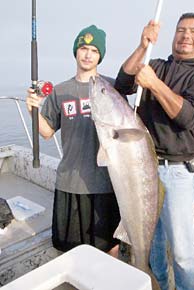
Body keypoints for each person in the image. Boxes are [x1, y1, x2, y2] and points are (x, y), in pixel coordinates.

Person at [115, 13, 194, 290]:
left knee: (184, 253)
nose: (186, 35)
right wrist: (142, 46)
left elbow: (188, 118)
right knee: (153, 247)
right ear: (172, 36)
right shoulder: (156, 64)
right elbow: (122, 84)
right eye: (181, 30)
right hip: (142, 168)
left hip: (176, 172)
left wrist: (154, 84)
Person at [26, 24, 120, 257]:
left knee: (110, 246)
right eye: (84, 48)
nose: (88, 54)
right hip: (69, 181)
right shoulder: (61, 91)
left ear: (100, 56)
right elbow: (47, 133)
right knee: (67, 248)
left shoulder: (112, 88)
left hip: (106, 183)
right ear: (76, 52)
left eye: (94, 50)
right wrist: (33, 111)